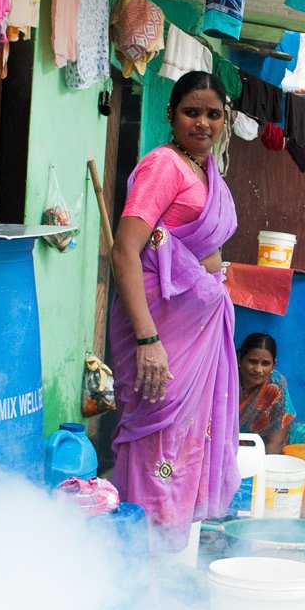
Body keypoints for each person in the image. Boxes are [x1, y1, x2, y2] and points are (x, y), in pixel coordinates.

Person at [108, 71, 240, 553]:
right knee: (154, 443)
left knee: (184, 446)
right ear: (170, 114)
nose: (202, 122)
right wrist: (147, 341)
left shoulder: (206, 172)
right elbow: (125, 250)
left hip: (196, 339)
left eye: (213, 114)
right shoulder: (163, 166)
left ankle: (162, 567)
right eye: (191, 112)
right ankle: (135, 565)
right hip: (160, 337)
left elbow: (201, 254)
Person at [238, 332, 305, 454]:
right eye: (253, 362)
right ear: (240, 358)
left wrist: (264, 469)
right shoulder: (225, 379)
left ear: (274, 365)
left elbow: (275, 441)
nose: (258, 369)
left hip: (257, 444)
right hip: (223, 442)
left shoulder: (276, 386)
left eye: (265, 364)